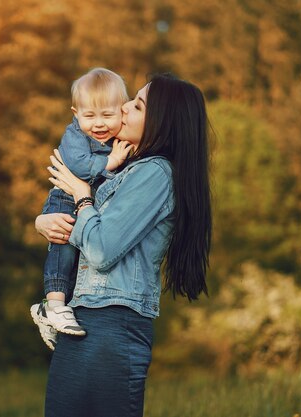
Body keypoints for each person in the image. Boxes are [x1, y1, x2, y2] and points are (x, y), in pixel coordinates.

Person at [34, 73, 212, 417]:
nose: (125, 108)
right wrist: (44, 221)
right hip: (82, 313)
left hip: (114, 324)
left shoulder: (156, 173)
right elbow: (82, 227)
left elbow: (100, 249)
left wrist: (82, 197)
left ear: (162, 120)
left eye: (138, 104)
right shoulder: (123, 168)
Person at [30, 68, 133, 350]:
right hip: (64, 197)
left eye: (107, 115)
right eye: (89, 116)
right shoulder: (75, 135)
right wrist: (110, 163)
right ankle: (54, 304)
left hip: (87, 202)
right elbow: (76, 166)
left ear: (122, 111)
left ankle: (49, 311)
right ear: (76, 113)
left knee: (80, 259)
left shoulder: (123, 138)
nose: (98, 124)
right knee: (63, 247)